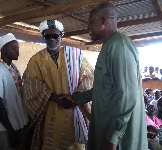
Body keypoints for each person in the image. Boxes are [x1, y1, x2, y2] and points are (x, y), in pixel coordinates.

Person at [60, 2, 148, 150]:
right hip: (107, 132)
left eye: (90, 22)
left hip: (121, 141)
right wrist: (76, 98)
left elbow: (127, 96)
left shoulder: (119, 45)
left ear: (104, 21)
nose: (88, 26)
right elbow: (104, 88)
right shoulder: (109, 45)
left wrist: (113, 137)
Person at [21, 20, 94, 149]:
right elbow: (31, 84)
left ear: (61, 36)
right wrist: (56, 98)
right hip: (51, 109)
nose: (51, 39)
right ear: (43, 37)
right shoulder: (36, 60)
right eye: (47, 36)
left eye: (55, 35)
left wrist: (74, 99)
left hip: (74, 108)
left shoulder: (76, 55)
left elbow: (89, 77)